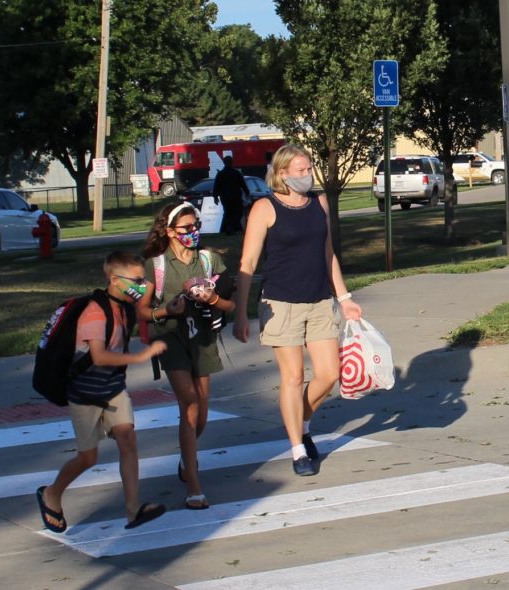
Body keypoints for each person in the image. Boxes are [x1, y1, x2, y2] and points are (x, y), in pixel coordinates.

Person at [233, 144, 365, 477]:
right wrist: (240, 313)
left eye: (309, 169)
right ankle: (297, 448)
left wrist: (345, 297)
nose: (308, 175)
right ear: (281, 174)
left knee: (329, 374)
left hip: (320, 299)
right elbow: (248, 262)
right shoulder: (265, 207)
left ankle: (302, 422)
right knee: (293, 378)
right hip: (281, 304)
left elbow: (328, 253)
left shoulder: (318, 203)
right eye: (301, 171)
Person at [37, 250, 169, 533]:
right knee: (88, 458)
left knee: (128, 439)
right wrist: (139, 358)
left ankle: (133, 510)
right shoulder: (95, 313)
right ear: (114, 280)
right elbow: (99, 357)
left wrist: (145, 286)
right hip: (85, 393)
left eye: (142, 279)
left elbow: (144, 297)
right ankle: (52, 493)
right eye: (134, 280)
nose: (140, 285)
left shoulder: (124, 303)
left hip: (112, 388)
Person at [136, 201, 235, 511]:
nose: (193, 232)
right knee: (189, 404)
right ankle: (194, 486)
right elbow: (142, 309)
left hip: (202, 338)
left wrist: (214, 298)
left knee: (201, 414)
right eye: (186, 228)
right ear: (169, 231)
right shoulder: (156, 265)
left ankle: (185, 455)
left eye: (196, 226)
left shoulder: (209, 261)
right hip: (170, 337)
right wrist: (167, 309)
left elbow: (231, 306)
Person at [213, 163, 248, 235]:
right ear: (231, 162)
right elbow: (242, 184)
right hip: (236, 197)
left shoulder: (220, 174)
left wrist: (215, 197)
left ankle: (225, 229)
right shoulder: (236, 173)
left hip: (225, 197)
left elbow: (216, 186)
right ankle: (231, 227)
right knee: (238, 213)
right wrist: (247, 192)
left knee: (227, 213)